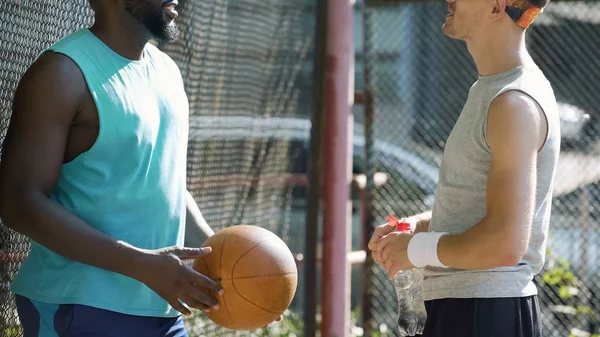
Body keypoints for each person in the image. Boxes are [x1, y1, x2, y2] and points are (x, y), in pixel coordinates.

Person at [0, 1, 270, 336]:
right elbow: (18, 203)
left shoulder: (167, 71)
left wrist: (238, 263)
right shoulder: (62, 73)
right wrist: (142, 265)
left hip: (162, 309)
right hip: (78, 306)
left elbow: (164, 185)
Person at [368, 0, 560, 335]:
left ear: (497, 8)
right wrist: (419, 227)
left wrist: (415, 249)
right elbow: (481, 213)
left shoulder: (514, 102)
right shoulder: (492, 91)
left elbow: (505, 244)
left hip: (483, 311)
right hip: (470, 308)